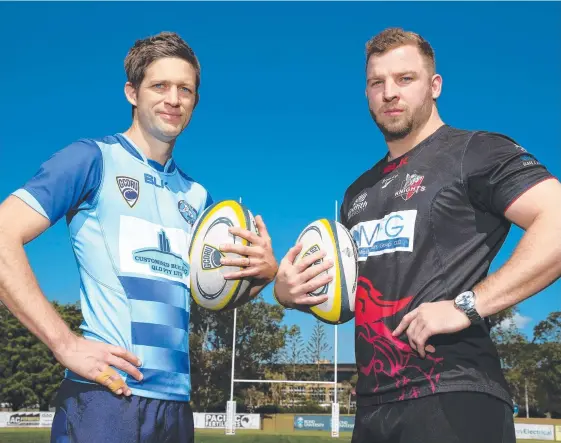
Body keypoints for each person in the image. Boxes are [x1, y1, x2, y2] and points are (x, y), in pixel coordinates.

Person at [273, 27, 561, 443]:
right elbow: (351, 302)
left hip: (454, 394)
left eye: (405, 79)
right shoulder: (358, 192)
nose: (390, 92)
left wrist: (469, 304)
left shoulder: (474, 151)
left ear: (434, 85)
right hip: (373, 407)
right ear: (368, 93)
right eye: (377, 82)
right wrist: (289, 291)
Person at [0, 32, 278, 443]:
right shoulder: (91, 159)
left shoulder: (200, 198)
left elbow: (210, 293)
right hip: (105, 399)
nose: (174, 98)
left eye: (185, 89)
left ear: (195, 103)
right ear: (132, 92)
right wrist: (64, 344)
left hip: (175, 410)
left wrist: (261, 275)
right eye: (159, 86)